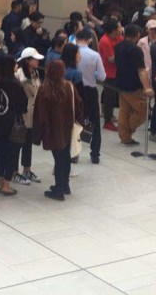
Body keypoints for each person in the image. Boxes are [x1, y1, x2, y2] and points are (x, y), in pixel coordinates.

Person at [33, 60, 83, 201]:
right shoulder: (69, 86)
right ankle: (64, 185)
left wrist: (38, 134)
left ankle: (59, 189)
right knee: (65, 158)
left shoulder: (44, 90)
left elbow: (39, 114)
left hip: (51, 131)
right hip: (67, 129)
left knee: (59, 159)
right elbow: (79, 105)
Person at [0, 57, 27, 196]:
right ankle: (7, 185)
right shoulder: (15, 84)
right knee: (11, 153)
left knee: (0, 151)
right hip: (11, 123)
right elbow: (23, 104)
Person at [114, 24, 154, 146]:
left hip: (120, 83)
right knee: (143, 110)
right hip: (133, 86)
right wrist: (147, 87)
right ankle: (126, 131)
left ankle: (124, 136)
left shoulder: (118, 46)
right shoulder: (136, 50)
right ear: (137, 34)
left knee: (124, 110)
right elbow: (141, 70)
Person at [13, 47, 44, 184]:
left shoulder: (35, 73)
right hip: (21, 115)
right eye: (35, 59)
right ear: (27, 60)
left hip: (33, 114)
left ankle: (27, 169)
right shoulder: (19, 75)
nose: (38, 61)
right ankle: (13, 172)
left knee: (28, 144)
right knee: (17, 144)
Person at [75, 29, 105, 163]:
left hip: (75, 90)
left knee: (75, 121)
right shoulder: (95, 55)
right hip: (90, 90)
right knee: (95, 122)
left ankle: (73, 153)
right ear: (89, 39)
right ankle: (95, 154)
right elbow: (102, 76)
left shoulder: (71, 52)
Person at [98, 19, 122, 131]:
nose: (121, 28)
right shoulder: (105, 41)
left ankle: (111, 116)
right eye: (119, 27)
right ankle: (107, 121)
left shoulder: (118, 38)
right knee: (109, 96)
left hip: (117, 72)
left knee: (114, 96)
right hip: (108, 73)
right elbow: (111, 59)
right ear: (113, 30)